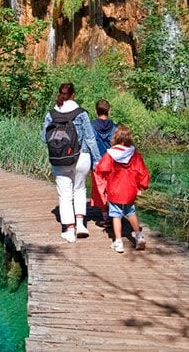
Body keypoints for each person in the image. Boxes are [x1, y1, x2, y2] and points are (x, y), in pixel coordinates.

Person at [41, 83, 101, 243]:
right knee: (80, 189)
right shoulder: (81, 113)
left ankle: (69, 230)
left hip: (59, 160)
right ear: (73, 95)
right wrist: (98, 161)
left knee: (65, 194)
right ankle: (81, 225)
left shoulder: (51, 114)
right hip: (81, 157)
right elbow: (90, 138)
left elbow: (43, 138)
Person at [94, 124, 150, 253]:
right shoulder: (134, 153)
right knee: (130, 212)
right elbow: (143, 172)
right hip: (130, 189)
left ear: (116, 138)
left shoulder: (110, 154)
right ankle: (138, 235)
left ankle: (118, 242)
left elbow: (101, 169)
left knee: (115, 215)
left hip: (114, 189)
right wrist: (142, 186)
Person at [90, 99, 116, 226]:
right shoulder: (115, 128)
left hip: (97, 163)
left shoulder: (91, 126)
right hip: (112, 163)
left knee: (100, 189)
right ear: (109, 111)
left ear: (96, 111)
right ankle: (114, 215)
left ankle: (105, 216)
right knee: (112, 188)